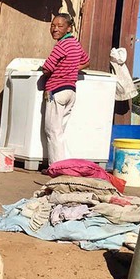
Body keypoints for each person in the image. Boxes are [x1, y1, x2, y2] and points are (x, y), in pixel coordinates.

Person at [41, 13, 90, 165]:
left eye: (60, 26)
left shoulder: (61, 46)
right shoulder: (75, 44)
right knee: (60, 131)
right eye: (53, 26)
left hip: (56, 91)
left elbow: (47, 68)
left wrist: (54, 71)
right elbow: (86, 61)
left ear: (69, 28)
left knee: (52, 131)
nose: (55, 29)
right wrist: (71, 69)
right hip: (70, 91)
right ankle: (64, 163)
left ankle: (55, 166)